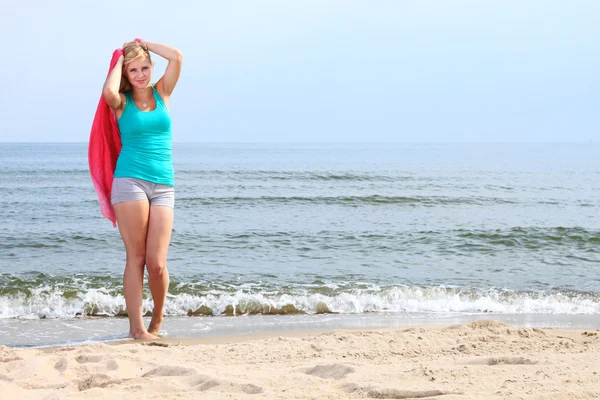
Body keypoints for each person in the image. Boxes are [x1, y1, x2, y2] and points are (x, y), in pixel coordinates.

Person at [102, 39, 183, 339]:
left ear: (152, 67)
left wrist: (141, 42)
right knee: (136, 258)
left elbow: (176, 56)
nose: (140, 74)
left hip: (164, 184)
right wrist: (118, 60)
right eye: (132, 69)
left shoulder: (162, 93)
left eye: (144, 67)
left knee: (157, 263)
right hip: (130, 181)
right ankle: (137, 329)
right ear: (125, 72)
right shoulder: (121, 101)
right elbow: (108, 92)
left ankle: (157, 323)